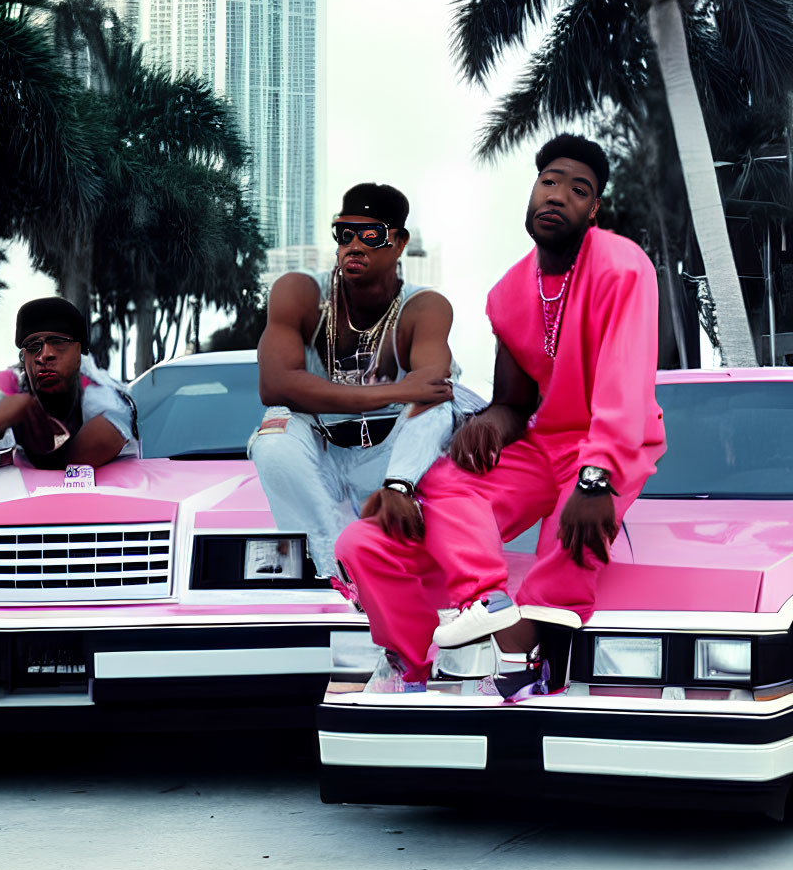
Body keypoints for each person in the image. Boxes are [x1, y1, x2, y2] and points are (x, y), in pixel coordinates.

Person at [335, 134, 665, 693]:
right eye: (549, 182)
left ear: (594, 209)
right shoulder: (508, 293)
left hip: (610, 445)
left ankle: (520, 662)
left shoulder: (621, 266)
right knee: (382, 526)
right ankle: (443, 643)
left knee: (571, 544)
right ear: (533, 192)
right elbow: (515, 403)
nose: (558, 195)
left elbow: (625, 386)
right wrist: (488, 422)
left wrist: (596, 477)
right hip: (541, 446)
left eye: (577, 189)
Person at [250, 182, 485, 579]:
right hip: (321, 452)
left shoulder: (423, 307)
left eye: (370, 235)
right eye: (344, 234)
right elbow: (274, 385)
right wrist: (396, 390)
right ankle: (335, 569)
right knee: (272, 437)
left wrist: (406, 400)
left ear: (398, 242)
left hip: (393, 456)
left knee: (440, 406)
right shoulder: (299, 292)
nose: (354, 246)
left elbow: (432, 388)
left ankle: (399, 492)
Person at [0, 296, 138, 470]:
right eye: (34, 346)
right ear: (23, 357)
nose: (44, 355)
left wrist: (44, 455)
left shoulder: (98, 389)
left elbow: (112, 432)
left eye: (59, 343)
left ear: (80, 354)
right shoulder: (8, 384)